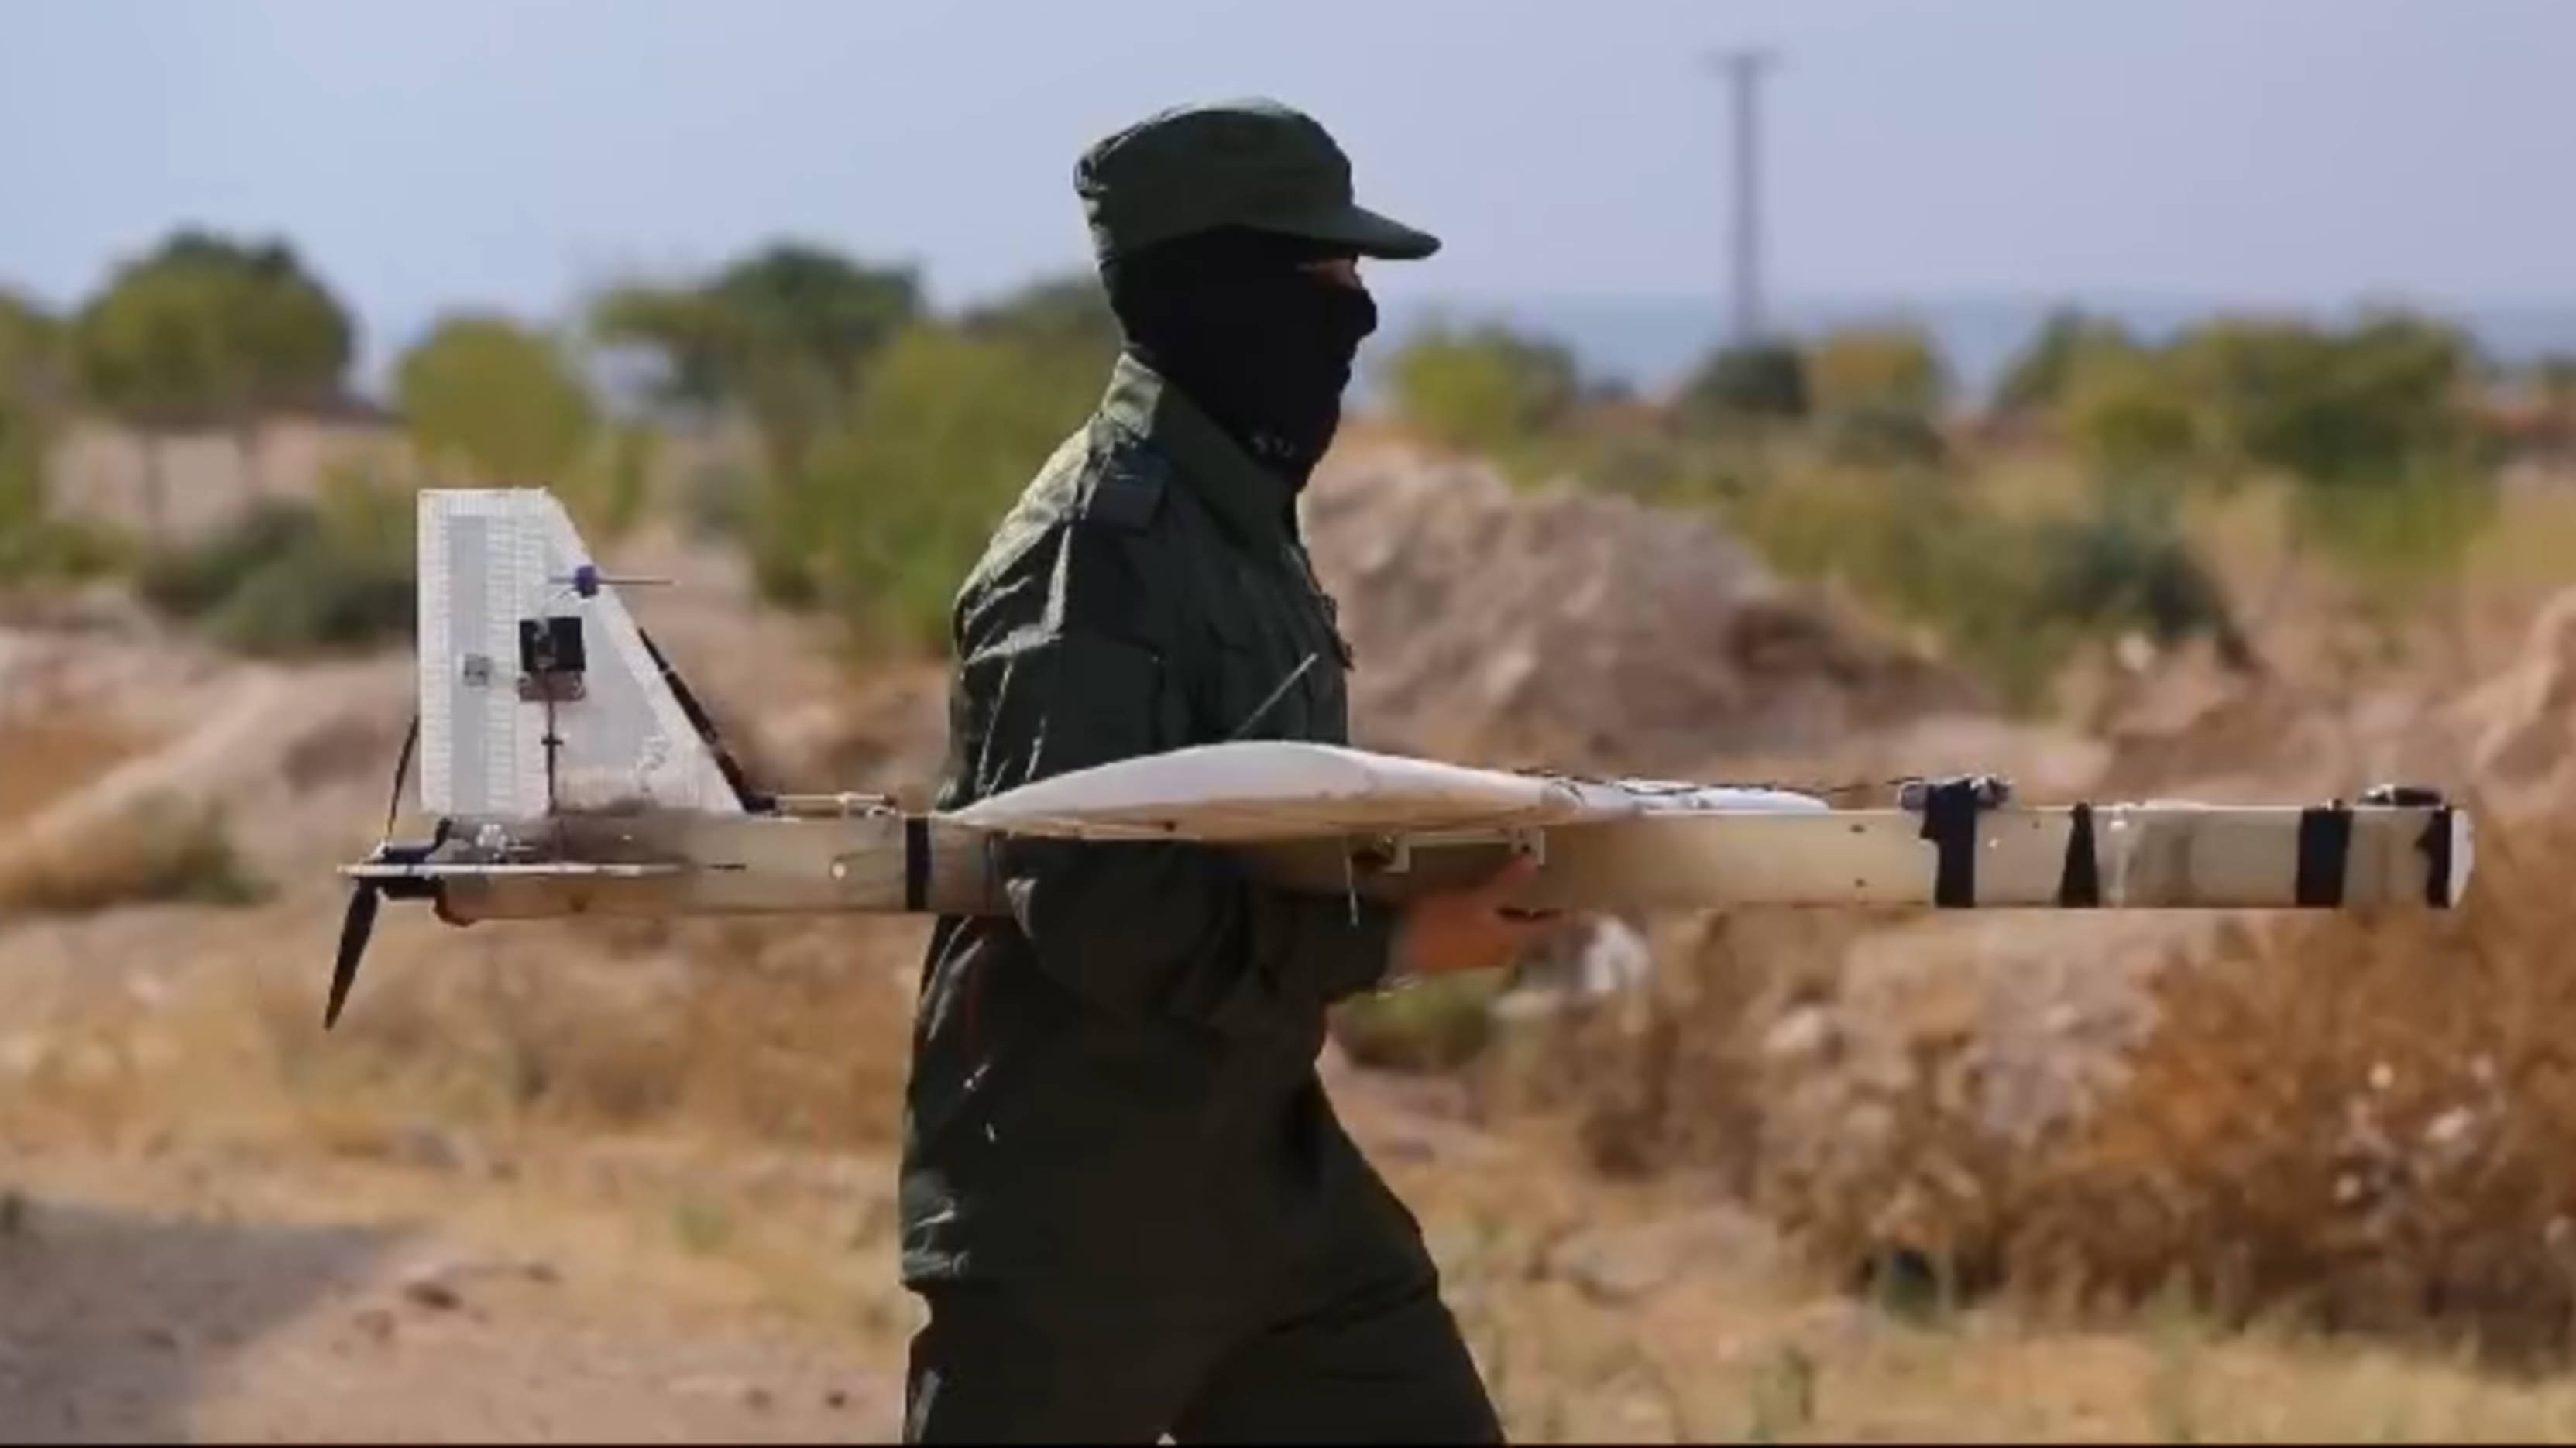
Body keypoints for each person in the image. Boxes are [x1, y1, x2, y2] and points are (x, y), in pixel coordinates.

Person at [898, 97, 1556, 1443]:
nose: (1359, 314)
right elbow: (1088, 902)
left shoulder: (1236, 521)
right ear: (1219, 295)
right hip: (1078, 1192)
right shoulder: (1098, 546)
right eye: (1324, 277)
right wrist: (1388, 941)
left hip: (1264, 1182)